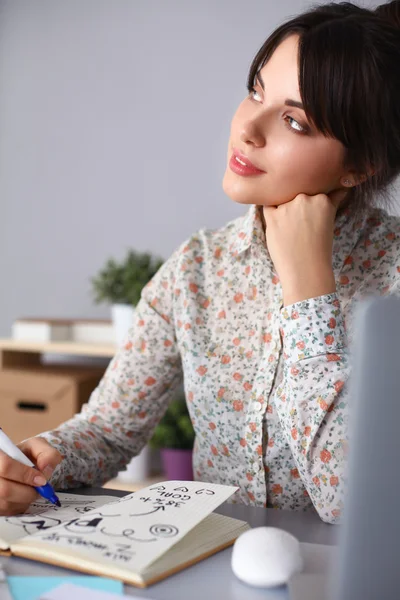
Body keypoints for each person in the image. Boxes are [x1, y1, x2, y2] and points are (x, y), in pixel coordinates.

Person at [1, 1, 400, 524]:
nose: (248, 129)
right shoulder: (197, 269)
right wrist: (37, 462)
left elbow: (354, 504)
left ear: (359, 166)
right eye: (255, 91)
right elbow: (110, 429)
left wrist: (308, 292)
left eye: (293, 121)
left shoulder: (392, 277)